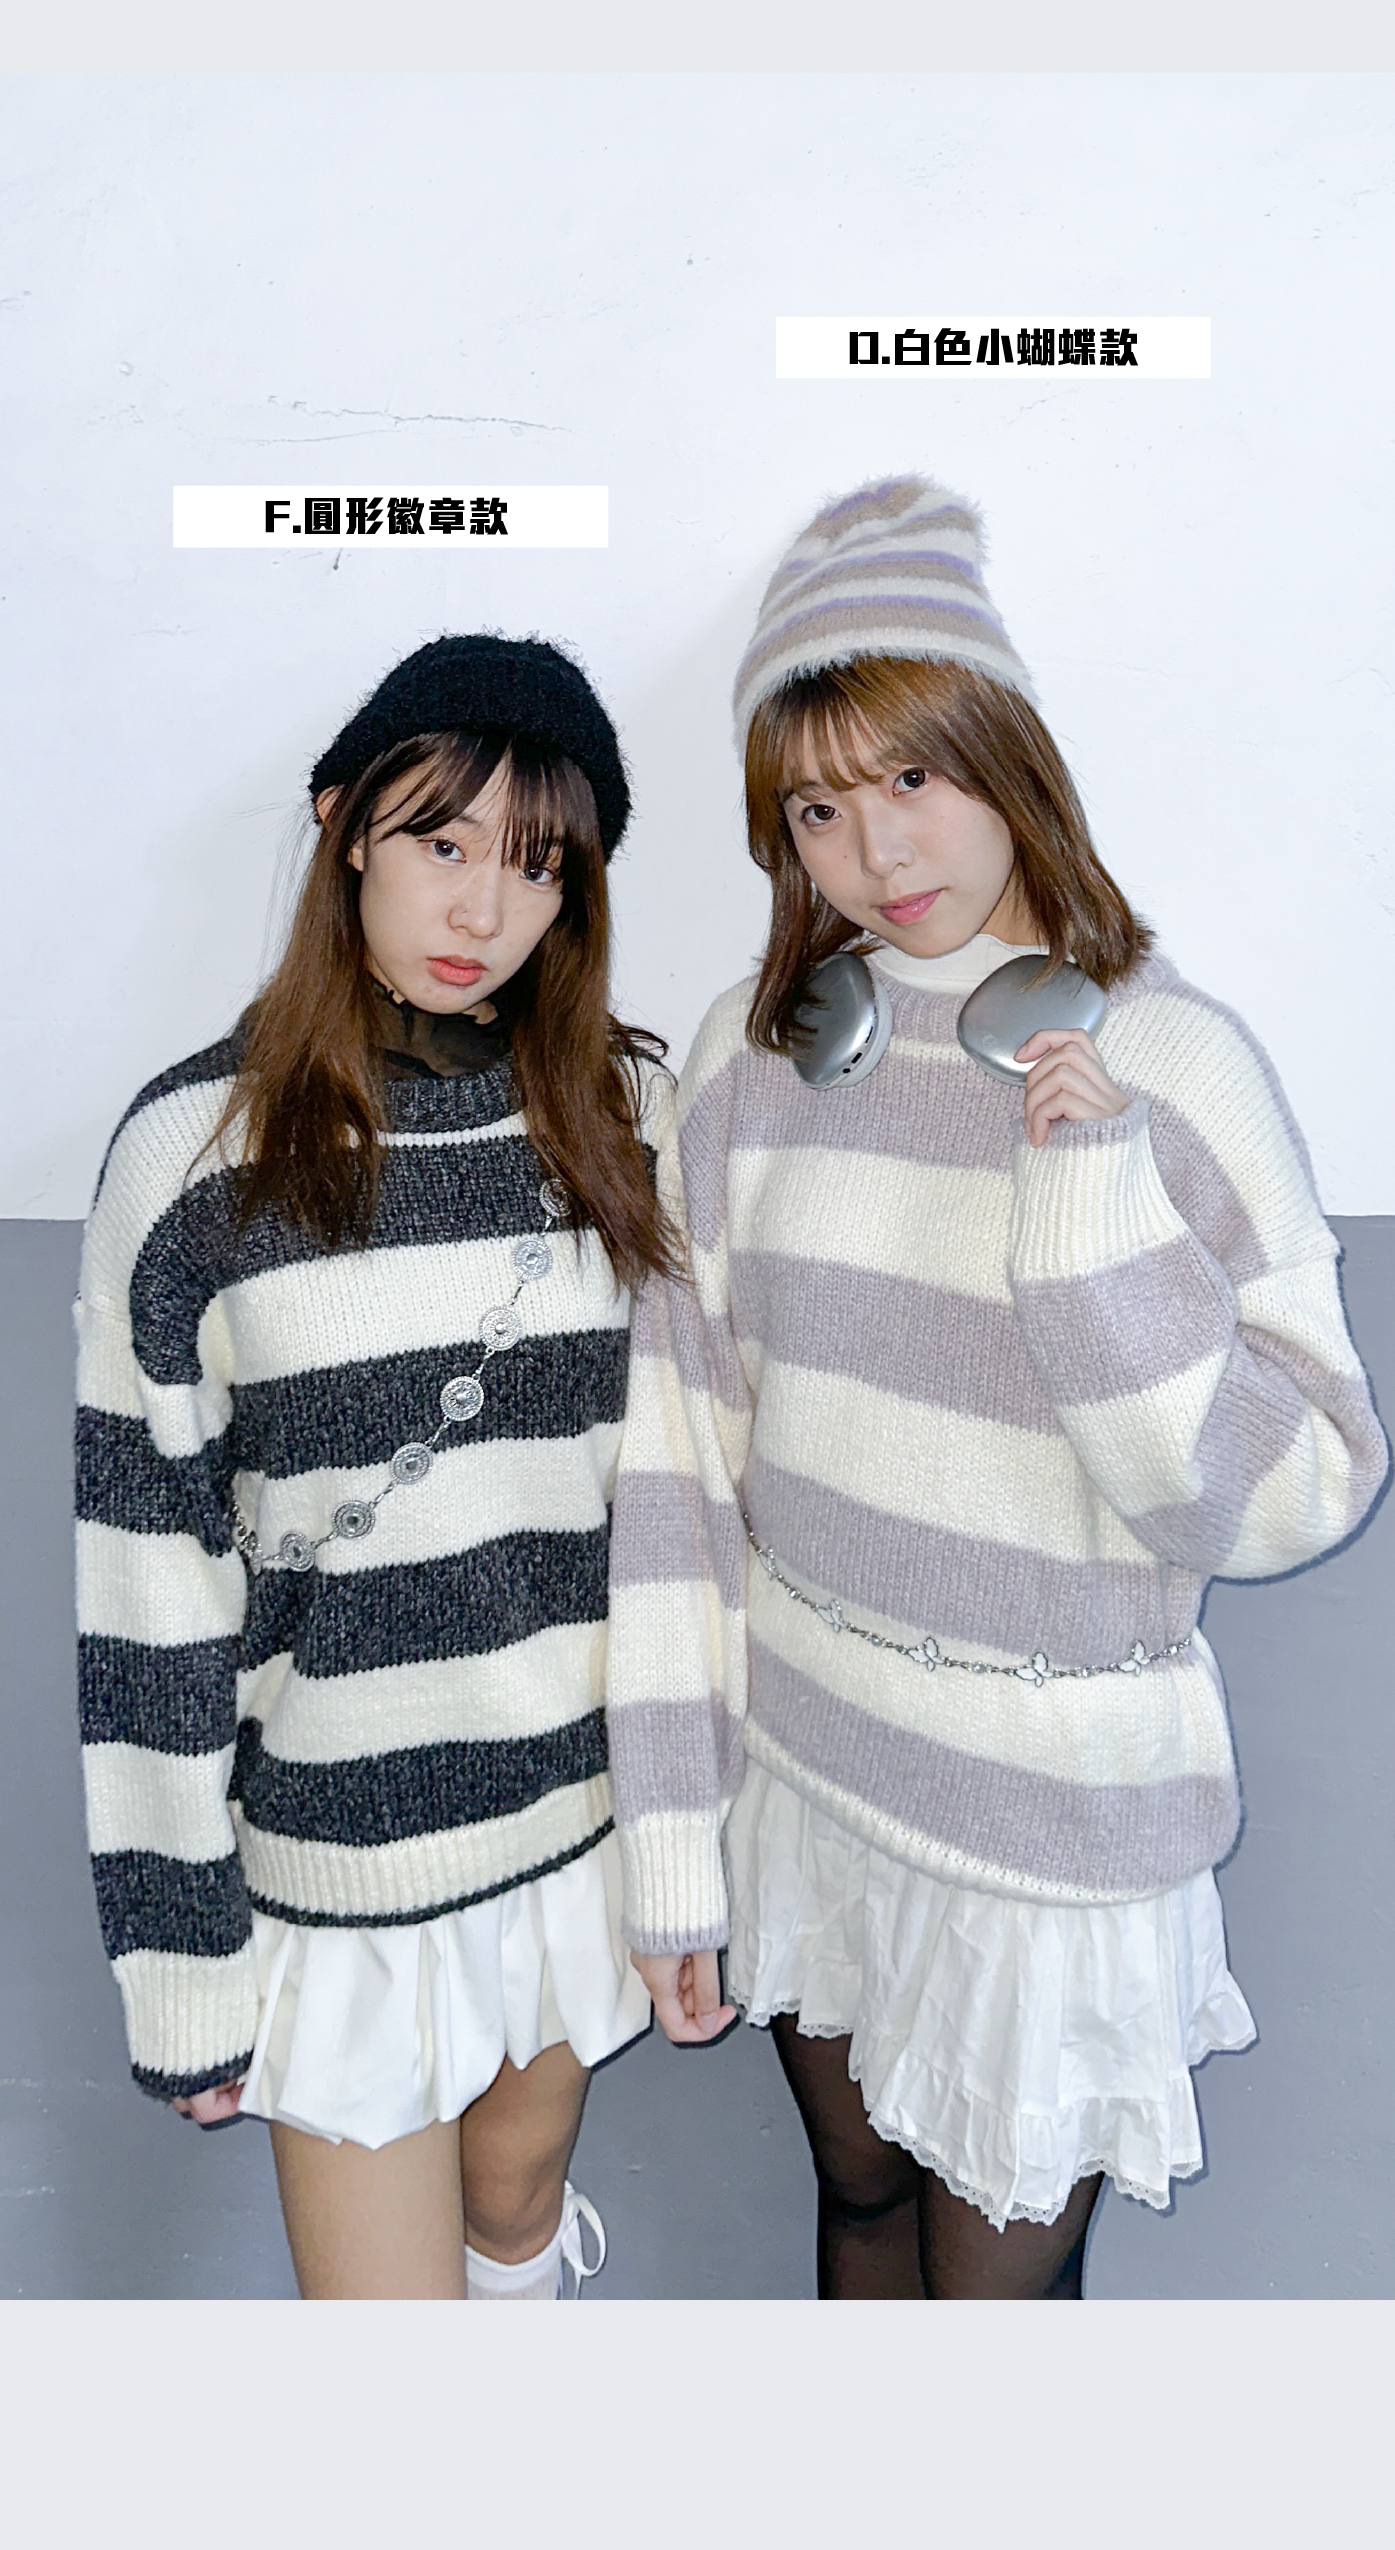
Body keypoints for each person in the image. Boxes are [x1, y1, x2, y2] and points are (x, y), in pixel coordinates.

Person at [604, 476, 1389, 2300]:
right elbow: (676, 1473)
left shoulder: (1170, 1063)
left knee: (994, 2309)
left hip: (1053, 1827)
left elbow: (1289, 1495)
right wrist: (670, 1835)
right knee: (855, 2211)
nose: (875, 849)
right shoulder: (750, 1059)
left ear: (1003, 756)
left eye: (911, 774)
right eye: (817, 806)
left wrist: (1093, 1218)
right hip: (807, 1769)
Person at [76, 633, 677, 2299]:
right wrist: (179, 1962)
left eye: (536, 863)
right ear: (346, 829)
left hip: (574, 1822)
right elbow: (146, 1580)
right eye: (440, 840)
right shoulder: (194, 1154)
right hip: (333, 1857)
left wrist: (692, 1842)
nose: (483, 906)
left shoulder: (625, 1112)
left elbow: (682, 1515)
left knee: (517, 2210)